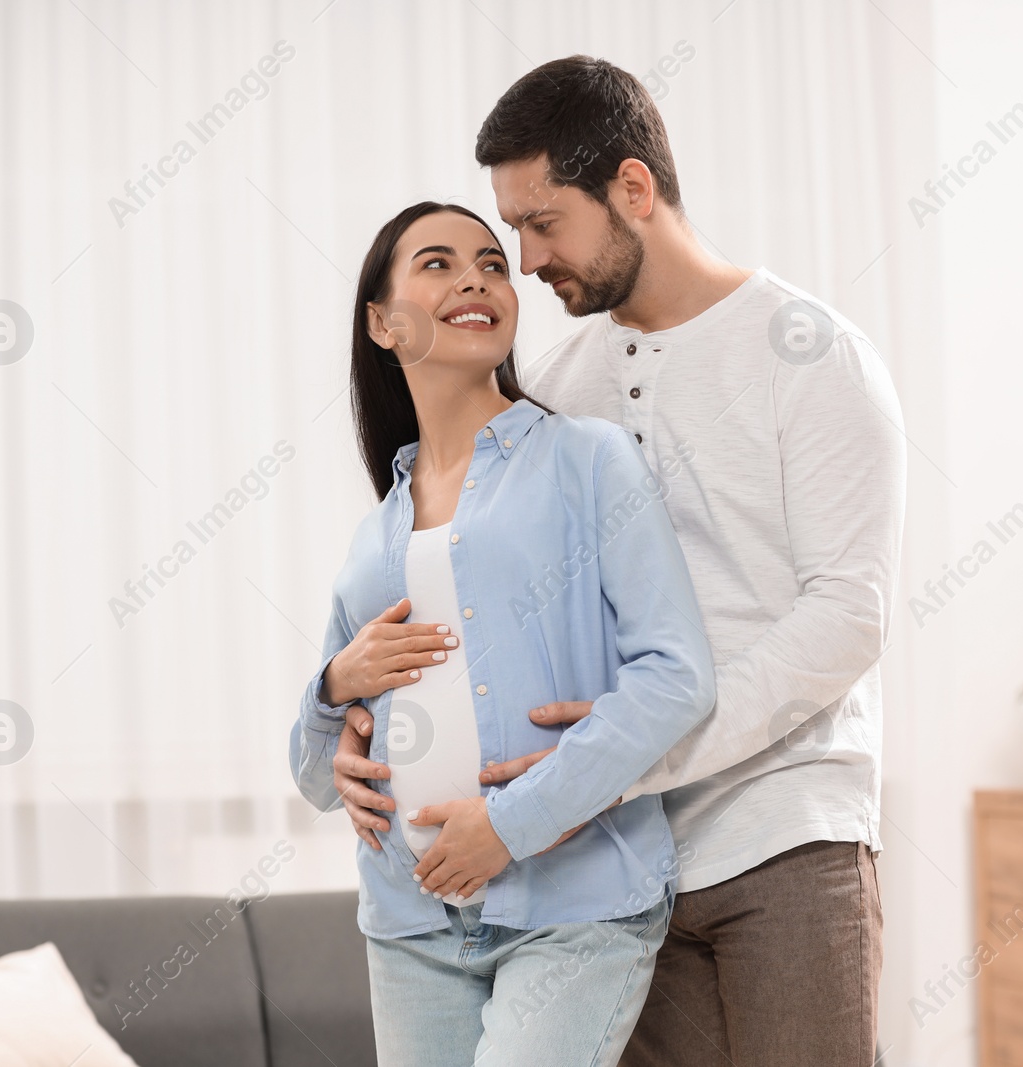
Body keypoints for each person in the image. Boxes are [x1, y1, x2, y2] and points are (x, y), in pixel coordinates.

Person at [335, 57, 908, 1065]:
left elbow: (847, 616)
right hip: (612, 866)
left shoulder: (808, 352)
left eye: (541, 223)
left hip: (783, 830)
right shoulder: (564, 383)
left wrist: (625, 759)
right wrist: (356, 717)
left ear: (632, 190)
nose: (523, 257)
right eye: (511, 228)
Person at [288, 200, 717, 1066]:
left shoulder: (586, 460)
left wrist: (512, 823)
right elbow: (316, 780)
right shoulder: (375, 536)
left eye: (490, 261)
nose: (477, 277)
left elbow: (677, 674)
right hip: (409, 925)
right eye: (437, 264)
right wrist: (333, 689)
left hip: (574, 905)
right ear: (381, 320)